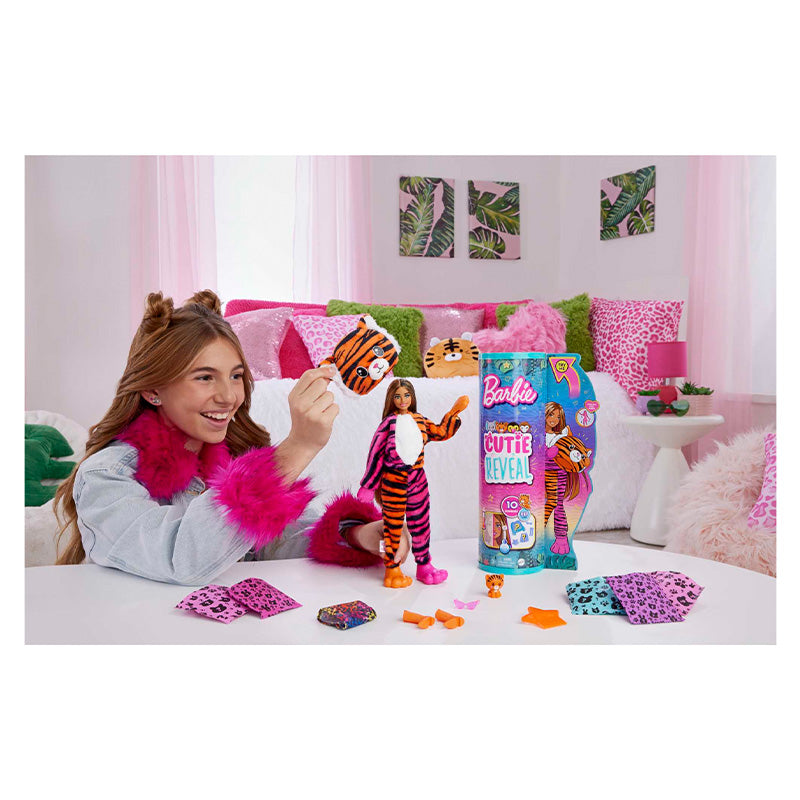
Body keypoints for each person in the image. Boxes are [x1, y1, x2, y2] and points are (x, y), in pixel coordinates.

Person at [54, 290, 393, 584]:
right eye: (205, 377)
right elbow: (180, 557)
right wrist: (297, 449)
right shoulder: (106, 476)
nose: (229, 396)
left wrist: (358, 535)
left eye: (235, 376)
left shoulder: (232, 461)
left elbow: (280, 539)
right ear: (153, 389)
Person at [352, 378, 469, 588]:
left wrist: (453, 414)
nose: (403, 400)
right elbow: (375, 453)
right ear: (392, 399)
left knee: (421, 524)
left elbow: (440, 432)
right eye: (398, 396)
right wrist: (368, 485)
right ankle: (392, 568)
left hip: (417, 479)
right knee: (392, 526)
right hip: (393, 480)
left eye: (406, 395)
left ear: (412, 397)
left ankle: (424, 565)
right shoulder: (388, 424)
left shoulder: (420, 420)